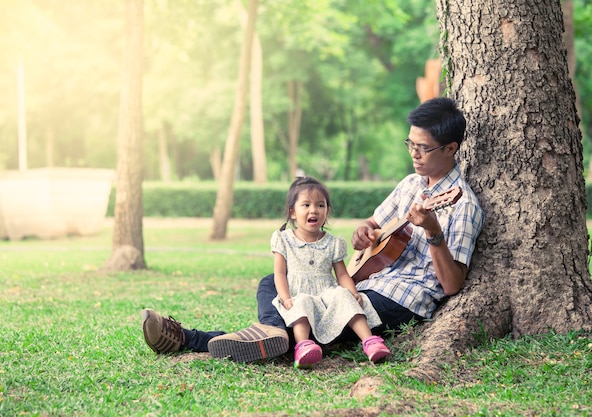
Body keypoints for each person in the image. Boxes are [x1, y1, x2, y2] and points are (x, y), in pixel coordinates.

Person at [141, 97, 485, 364]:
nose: (413, 153)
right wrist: (362, 233)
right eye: (409, 144)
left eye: (422, 148)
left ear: (451, 148)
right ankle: (272, 332)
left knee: (311, 320)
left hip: (400, 299)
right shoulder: (411, 184)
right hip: (359, 281)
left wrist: (433, 231)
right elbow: (372, 226)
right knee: (274, 282)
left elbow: (453, 284)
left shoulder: (464, 205)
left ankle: (188, 338)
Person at [270, 177, 389, 368]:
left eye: (320, 205)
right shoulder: (283, 239)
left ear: (327, 211)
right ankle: (303, 346)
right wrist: (285, 298)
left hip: (327, 291)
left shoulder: (332, 242)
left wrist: (352, 292)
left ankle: (370, 342)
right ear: (293, 212)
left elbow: (342, 274)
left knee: (343, 296)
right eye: (306, 205)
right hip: (298, 292)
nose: (313, 210)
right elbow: (279, 273)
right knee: (302, 302)